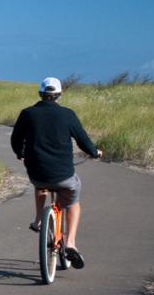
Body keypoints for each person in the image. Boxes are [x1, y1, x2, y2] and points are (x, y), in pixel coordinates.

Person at [10, 77, 103, 269]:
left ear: (40, 94)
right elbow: (82, 139)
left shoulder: (27, 114)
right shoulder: (67, 115)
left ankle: (37, 220)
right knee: (73, 202)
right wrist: (94, 152)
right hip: (64, 176)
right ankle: (70, 243)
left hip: (37, 172)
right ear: (59, 95)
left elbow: (15, 138)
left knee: (40, 185)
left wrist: (20, 153)